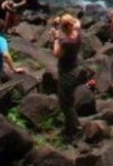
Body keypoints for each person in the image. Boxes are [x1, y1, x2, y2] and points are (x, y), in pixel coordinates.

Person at [51, 13, 82, 141]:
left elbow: (56, 54)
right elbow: (77, 23)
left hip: (66, 74)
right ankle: (69, 126)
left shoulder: (66, 42)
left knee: (66, 104)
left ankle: (75, 129)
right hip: (75, 69)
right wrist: (61, 22)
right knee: (70, 100)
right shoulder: (77, 34)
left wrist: (55, 38)